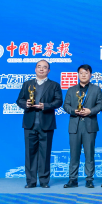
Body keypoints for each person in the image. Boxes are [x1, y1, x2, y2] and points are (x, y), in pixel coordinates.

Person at [15, 59, 62, 188]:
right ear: (35, 69)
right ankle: (31, 181)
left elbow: (58, 101)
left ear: (49, 70)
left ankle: (44, 181)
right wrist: (26, 104)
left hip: (46, 124)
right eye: (39, 67)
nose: (41, 69)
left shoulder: (54, 85)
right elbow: (19, 100)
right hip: (29, 124)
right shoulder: (27, 84)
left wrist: (45, 106)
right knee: (29, 154)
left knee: (45, 154)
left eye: (44, 67)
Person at [63, 64, 102, 188]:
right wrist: (74, 111)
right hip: (74, 125)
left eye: (86, 73)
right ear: (78, 74)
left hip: (90, 125)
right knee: (74, 154)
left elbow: (100, 105)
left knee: (89, 154)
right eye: (81, 73)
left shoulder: (96, 89)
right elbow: (66, 105)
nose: (83, 75)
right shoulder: (71, 89)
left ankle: (89, 179)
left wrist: (90, 111)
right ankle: (72, 179)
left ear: (90, 75)